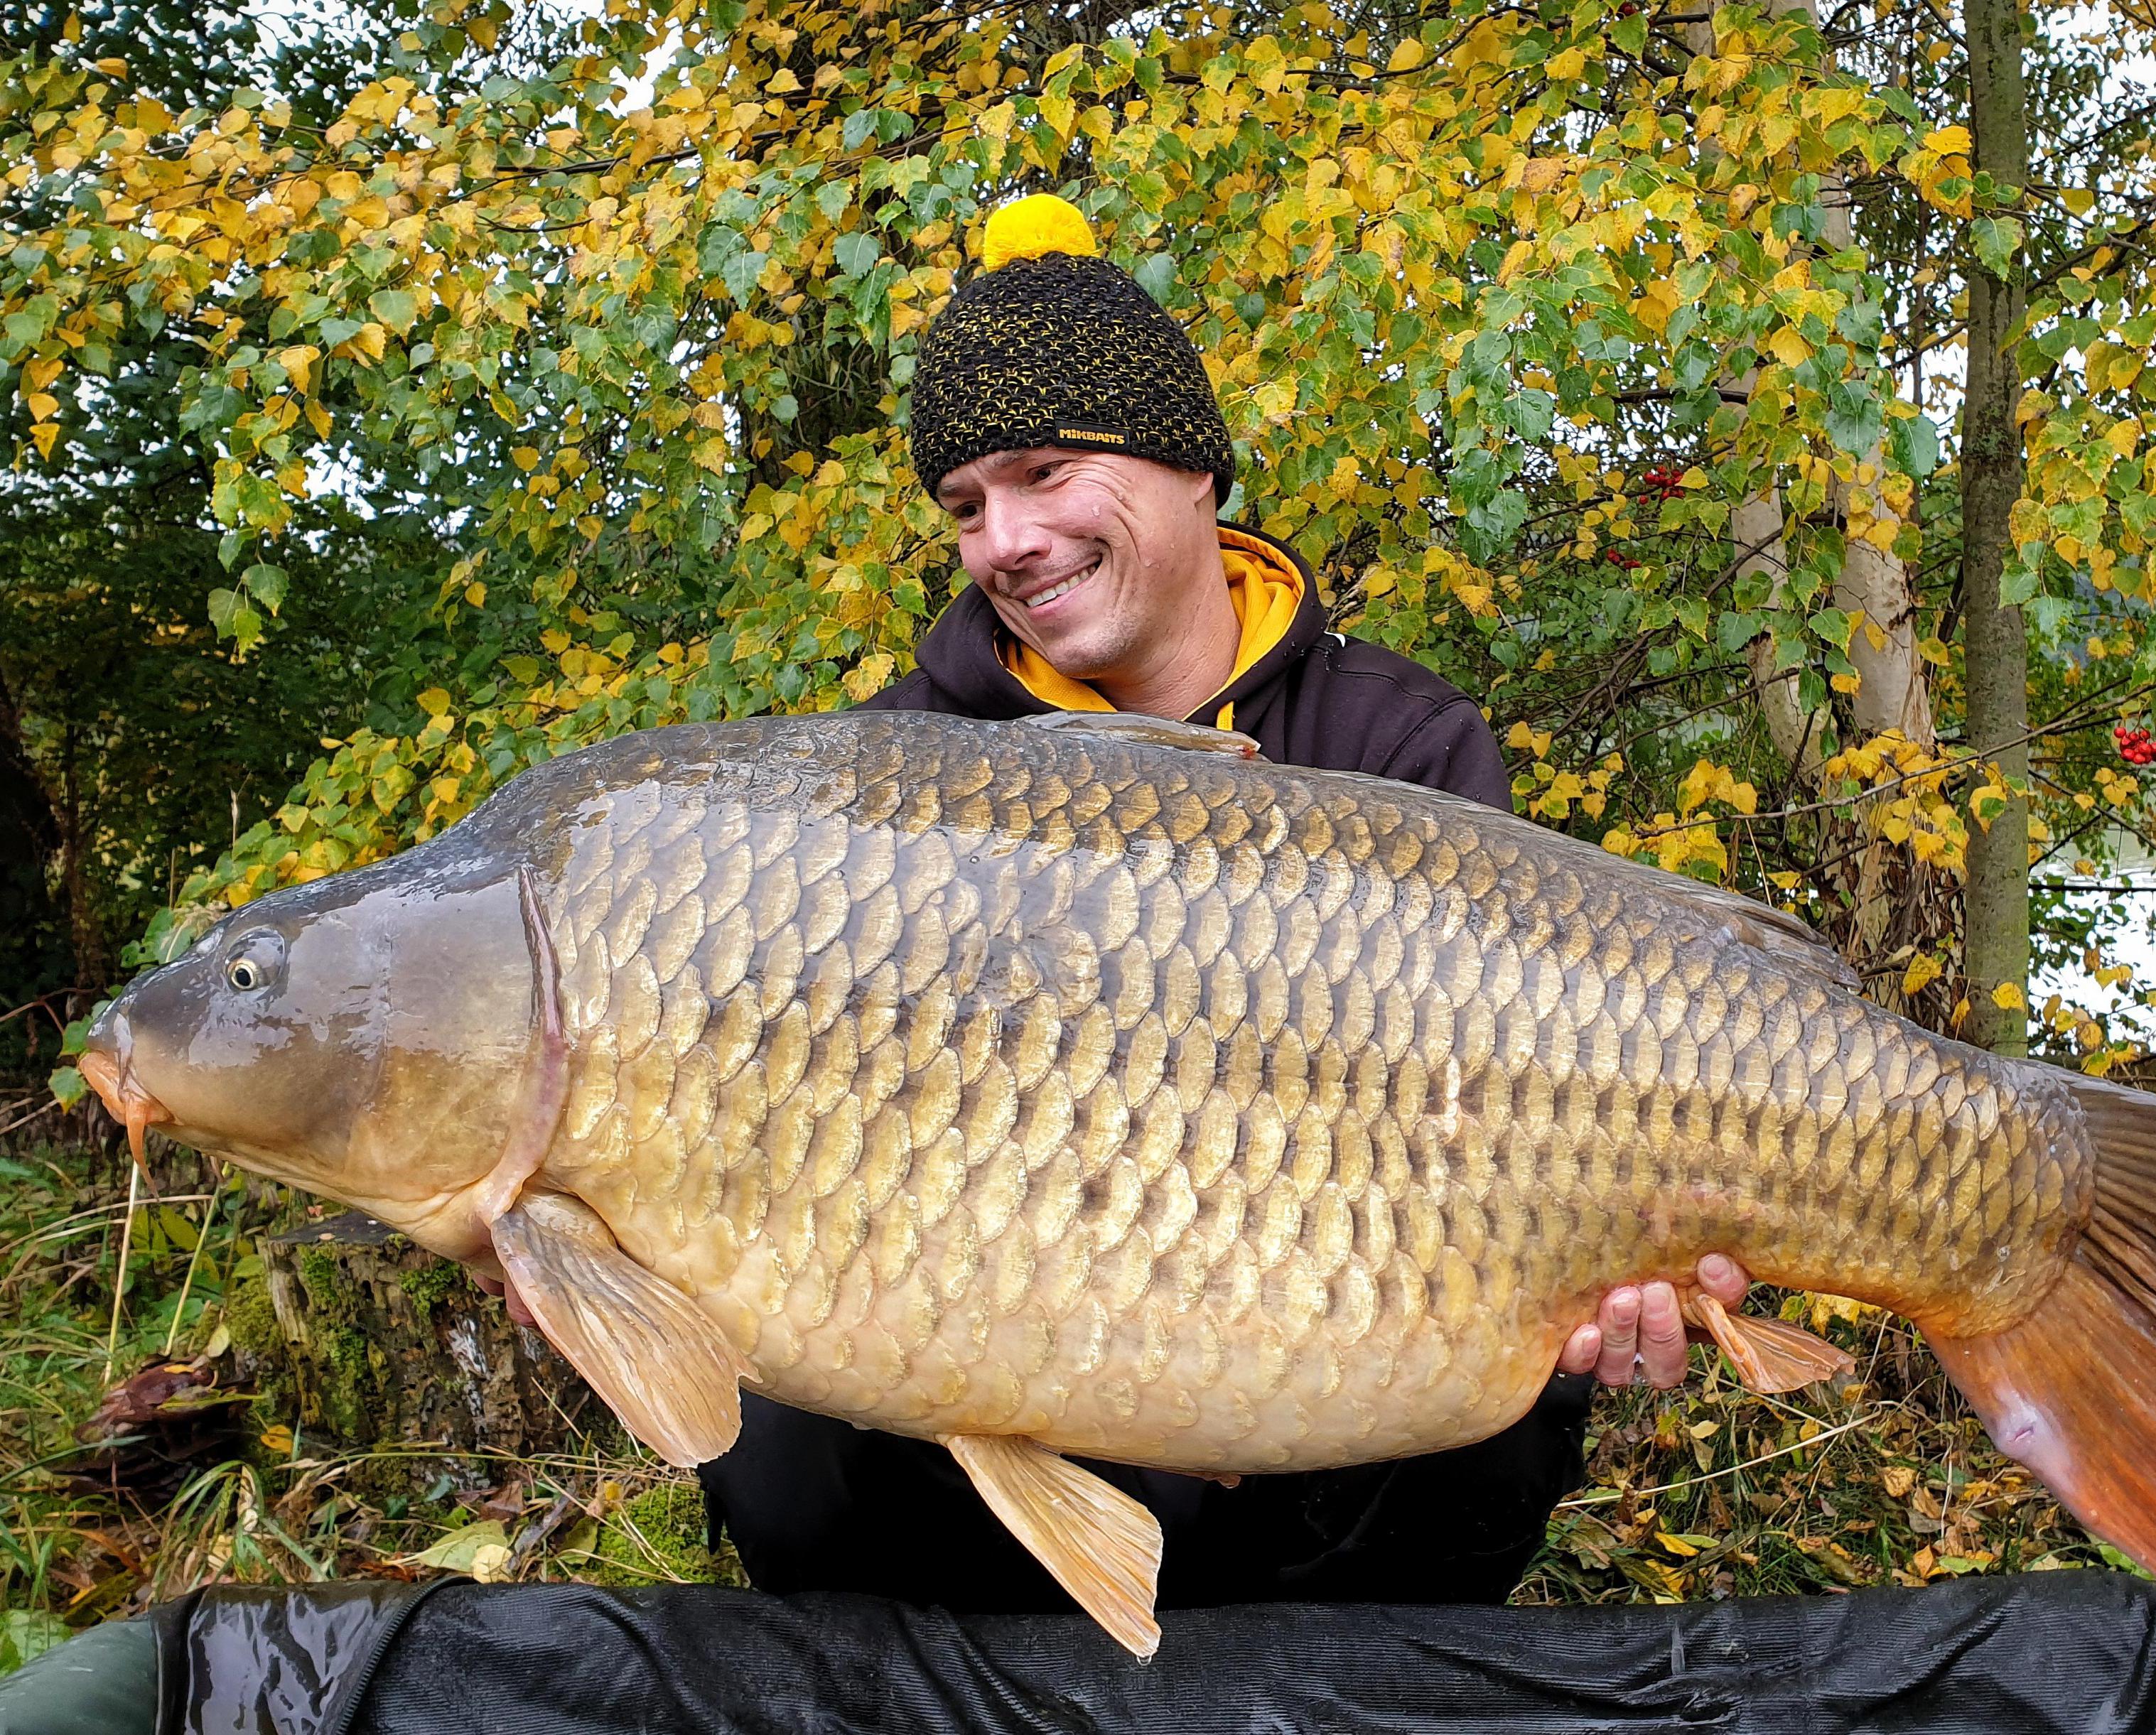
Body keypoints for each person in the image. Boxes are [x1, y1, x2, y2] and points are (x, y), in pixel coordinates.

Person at [696, 193, 1750, 1612]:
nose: (1004, 539)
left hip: (1340, 1346)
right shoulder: (883, 781)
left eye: (1042, 472)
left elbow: (1505, 1101)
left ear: (1192, 467)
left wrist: (1619, 1256)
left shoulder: (1399, 743)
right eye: (964, 507)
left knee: (1523, 1388)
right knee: (767, 1413)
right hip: (986, 1384)